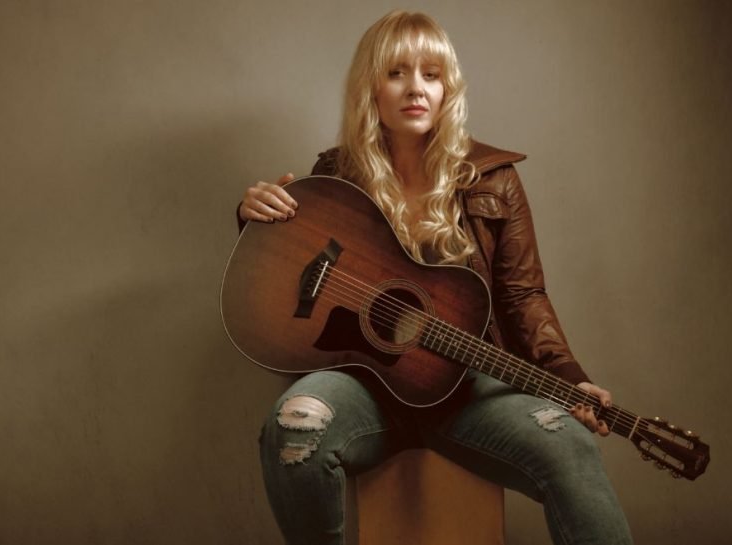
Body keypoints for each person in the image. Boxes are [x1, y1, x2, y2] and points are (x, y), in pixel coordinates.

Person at [237, 10, 633, 545]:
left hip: (466, 390)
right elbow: (286, 264)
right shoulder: (335, 175)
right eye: (397, 73)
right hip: (363, 390)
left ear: (449, 87)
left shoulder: (493, 179)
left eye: (432, 73)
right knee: (295, 423)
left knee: (569, 445)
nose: (416, 88)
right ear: (370, 89)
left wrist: (567, 372)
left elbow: (523, 294)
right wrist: (252, 219)